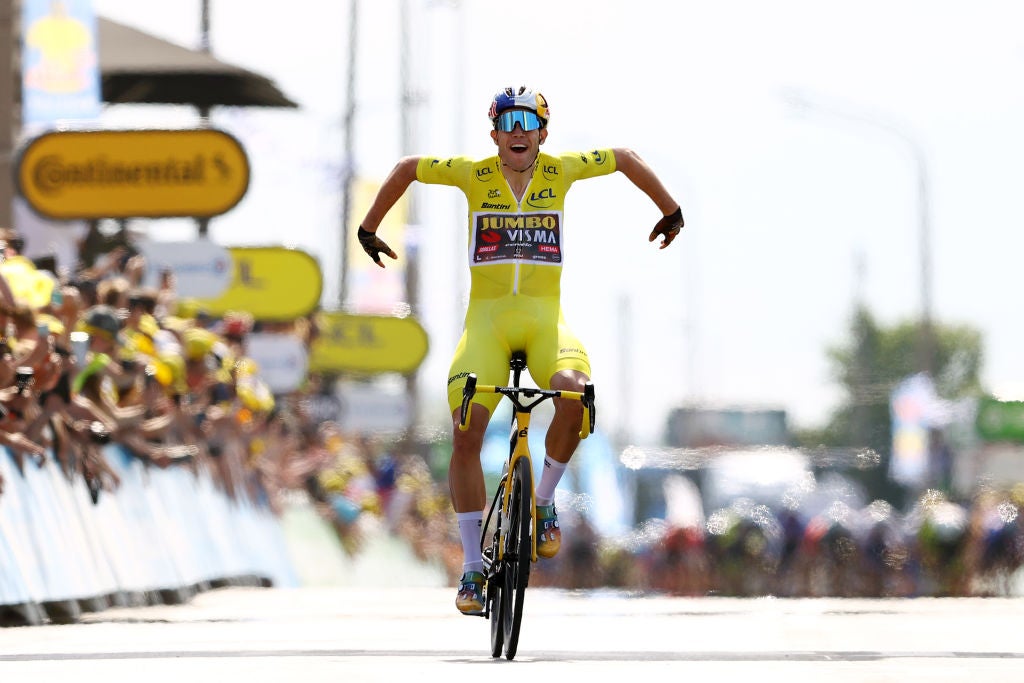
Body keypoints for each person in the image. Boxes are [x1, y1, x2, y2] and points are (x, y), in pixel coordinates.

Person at [356, 85, 684, 614]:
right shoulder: (472, 172)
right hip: (485, 326)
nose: (516, 131)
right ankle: (470, 570)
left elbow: (624, 158)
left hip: (543, 322)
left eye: (526, 122)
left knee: (575, 396)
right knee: (466, 434)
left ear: (542, 133)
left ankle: (543, 502)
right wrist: (369, 227)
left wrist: (669, 209)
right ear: (494, 133)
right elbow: (408, 166)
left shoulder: (562, 170)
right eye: (506, 122)